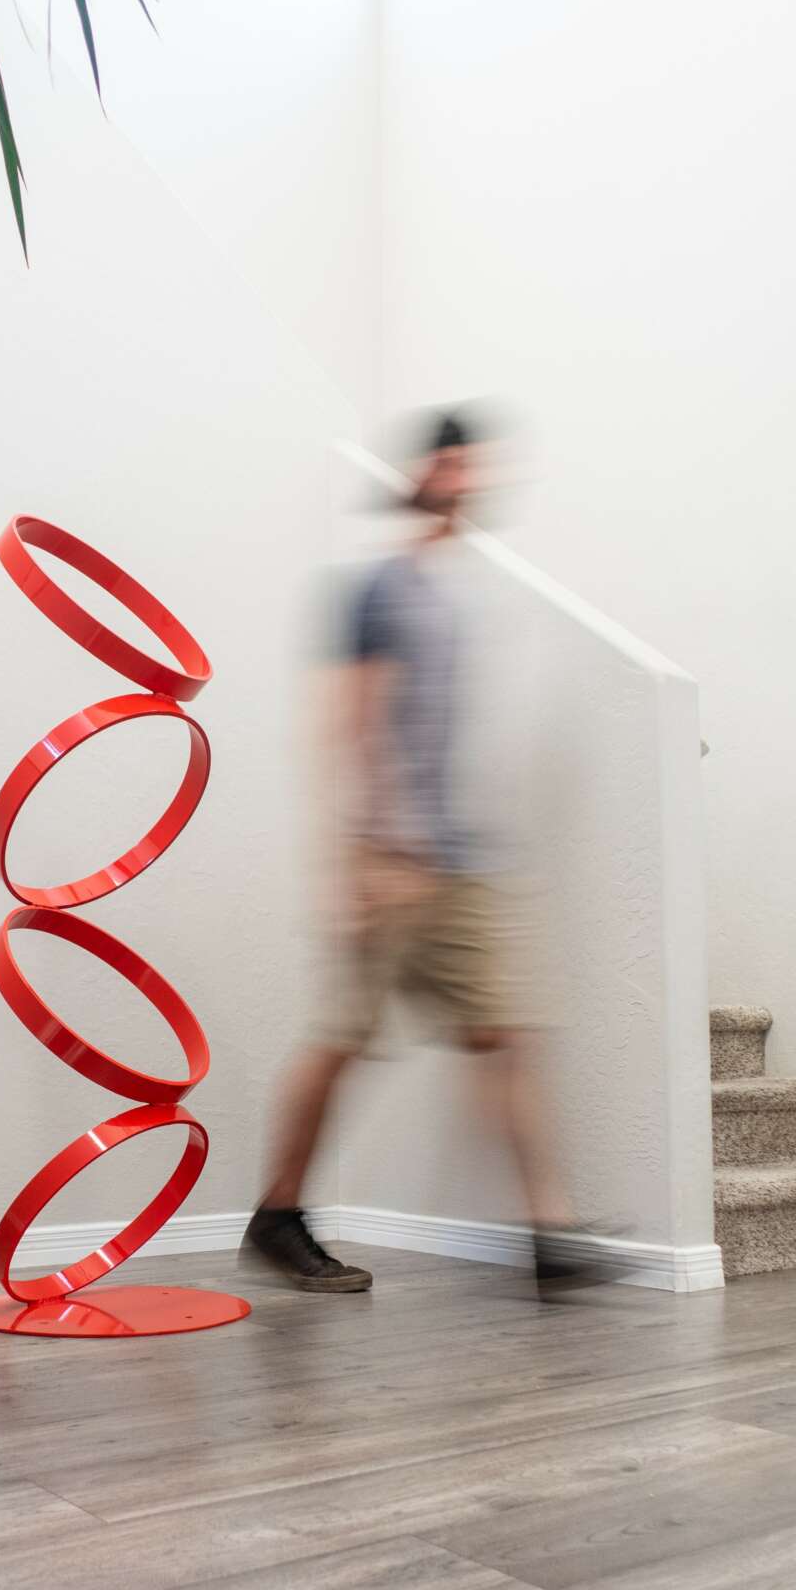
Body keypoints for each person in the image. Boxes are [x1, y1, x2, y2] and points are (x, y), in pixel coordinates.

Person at [243, 408, 569, 1293]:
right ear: (419, 476)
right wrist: (352, 856)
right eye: (451, 465)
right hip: (392, 863)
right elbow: (347, 725)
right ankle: (277, 1214)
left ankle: (552, 1236)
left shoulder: (467, 592)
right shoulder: (376, 590)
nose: (465, 481)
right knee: (342, 1040)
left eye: (473, 467)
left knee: (501, 1034)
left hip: (462, 864)